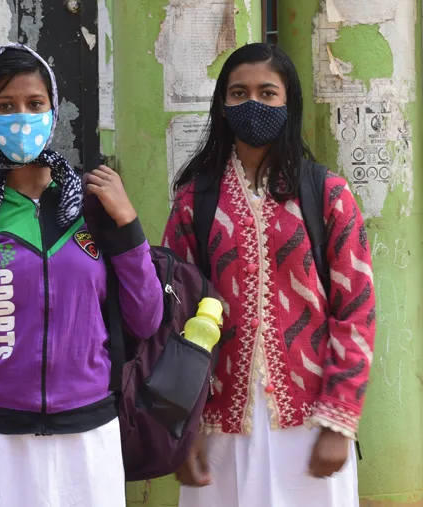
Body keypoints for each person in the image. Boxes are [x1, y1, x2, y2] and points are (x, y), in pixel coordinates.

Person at [0, 43, 163, 507]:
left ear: (54, 110)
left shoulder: (96, 209)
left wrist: (129, 226)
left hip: (87, 439)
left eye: (35, 104)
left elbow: (146, 319)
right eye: (5, 106)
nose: (22, 118)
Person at [163, 43, 376, 507]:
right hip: (216, 424)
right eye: (238, 93)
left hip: (311, 423)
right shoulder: (193, 202)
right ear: (222, 106)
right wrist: (182, 424)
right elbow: (172, 318)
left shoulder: (328, 196)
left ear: (289, 103)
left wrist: (341, 418)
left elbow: (356, 311)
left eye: (267, 93)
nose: (252, 103)